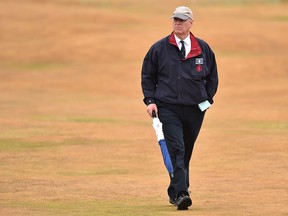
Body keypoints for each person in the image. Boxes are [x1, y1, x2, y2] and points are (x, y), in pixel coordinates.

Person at [141, 6, 218, 210]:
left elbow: (212, 78)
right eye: (175, 19)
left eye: (182, 20)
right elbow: (148, 76)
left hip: (195, 109)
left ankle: (174, 191)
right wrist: (150, 101)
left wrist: (207, 100)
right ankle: (183, 193)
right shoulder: (159, 48)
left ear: (191, 23)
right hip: (168, 107)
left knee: (186, 152)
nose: (178, 22)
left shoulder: (202, 48)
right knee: (177, 148)